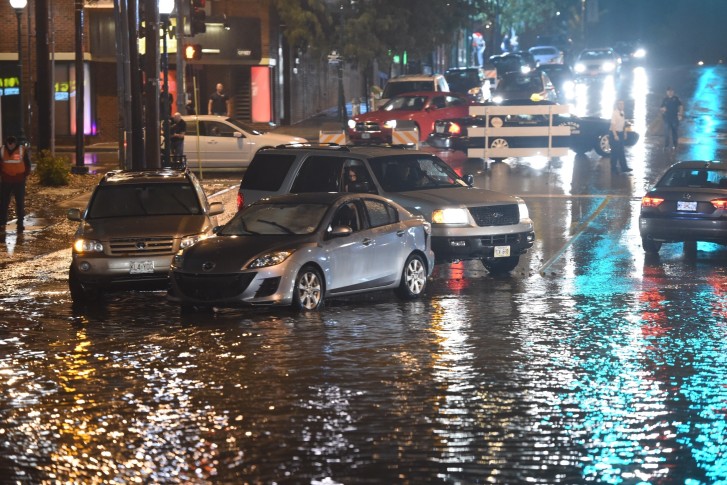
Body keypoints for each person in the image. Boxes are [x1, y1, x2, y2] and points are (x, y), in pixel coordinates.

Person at [0, 135, 32, 232]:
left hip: (18, 180)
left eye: (12, 144)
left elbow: (27, 164)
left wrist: (24, 175)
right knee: (4, 202)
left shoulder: (22, 150)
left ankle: (20, 222)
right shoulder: (2, 150)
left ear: (15, 143)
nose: (10, 146)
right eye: (9, 144)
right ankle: (2, 221)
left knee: (19, 203)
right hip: (6, 180)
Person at [609, 99, 632, 173]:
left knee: (621, 151)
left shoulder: (622, 112)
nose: (622, 105)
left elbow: (623, 124)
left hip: (621, 132)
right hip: (615, 133)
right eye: (620, 104)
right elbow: (613, 125)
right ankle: (613, 169)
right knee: (615, 151)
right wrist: (615, 135)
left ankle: (624, 167)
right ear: (617, 105)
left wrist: (624, 133)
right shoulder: (614, 113)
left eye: (622, 104)